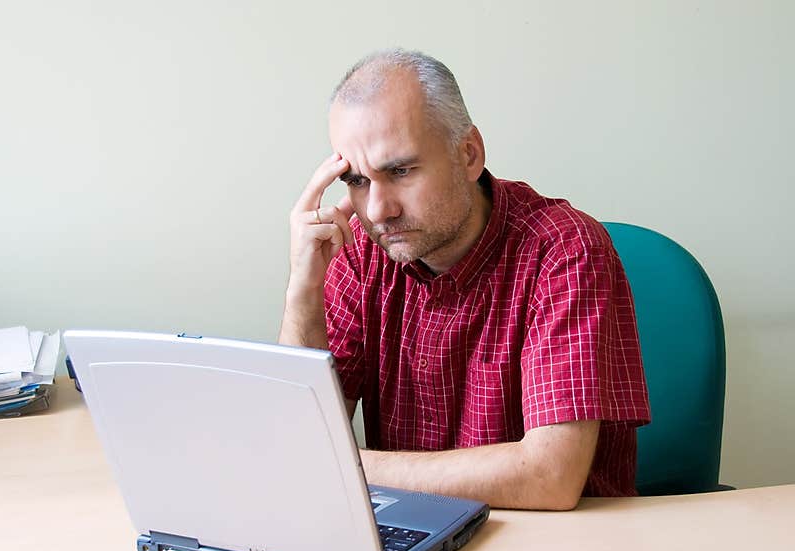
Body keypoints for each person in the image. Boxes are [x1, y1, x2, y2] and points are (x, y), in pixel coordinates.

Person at [279, 48, 651, 510]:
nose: (378, 210)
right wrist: (303, 290)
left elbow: (549, 478)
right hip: (415, 538)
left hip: (562, 549)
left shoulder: (564, 249)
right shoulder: (361, 249)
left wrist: (344, 466)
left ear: (469, 155)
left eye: (400, 171)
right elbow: (297, 439)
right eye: (356, 180)